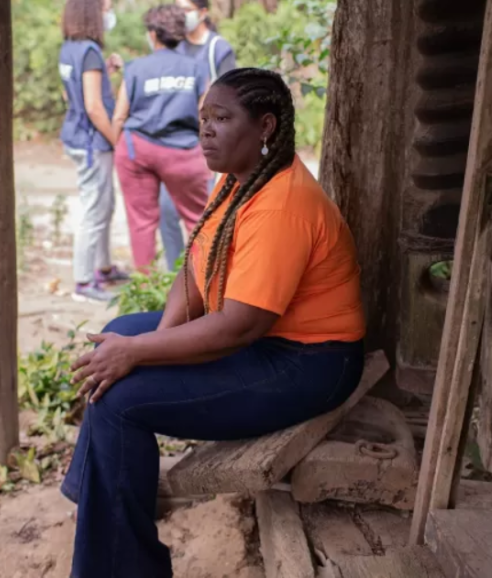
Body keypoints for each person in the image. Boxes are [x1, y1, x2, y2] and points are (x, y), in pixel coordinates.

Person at [61, 68, 366, 577]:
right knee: (123, 329)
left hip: (310, 362)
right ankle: (103, 505)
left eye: (221, 118)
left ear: (265, 126)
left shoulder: (282, 204)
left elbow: (237, 328)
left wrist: (141, 356)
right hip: (265, 340)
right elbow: (195, 269)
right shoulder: (237, 179)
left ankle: (119, 562)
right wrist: (152, 343)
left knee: (118, 398)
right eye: (203, 118)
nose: (205, 130)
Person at [111, 4, 212, 272]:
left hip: (137, 150)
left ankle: (146, 287)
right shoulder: (197, 68)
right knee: (199, 220)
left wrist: (119, 148)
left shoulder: (135, 68)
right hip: (184, 153)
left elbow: (120, 116)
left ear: (153, 34)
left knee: (141, 223)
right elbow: (206, 114)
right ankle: (205, 283)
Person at [157, 0, 237, 271]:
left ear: (202, 13)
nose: (181, 15)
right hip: (175, 143)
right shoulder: (174, 46)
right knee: (166, 209)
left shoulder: (218, 49)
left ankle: (205, 271)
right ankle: (174, 273)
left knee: (206, 212)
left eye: (186, 9)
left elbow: (230, 99)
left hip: (206, 145)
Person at [59, 0, 130, 302]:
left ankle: (103, 267)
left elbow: (69, 93)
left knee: (104, 204)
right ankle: (84, 282)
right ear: (92, 12)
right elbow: (93, 107)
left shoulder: (69, 48)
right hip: (92, 143)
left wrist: (105, 71)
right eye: (106, 7)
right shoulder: (89, 51)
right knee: (93, 210)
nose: (109, 14)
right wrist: (118, 140)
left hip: (76, 136)